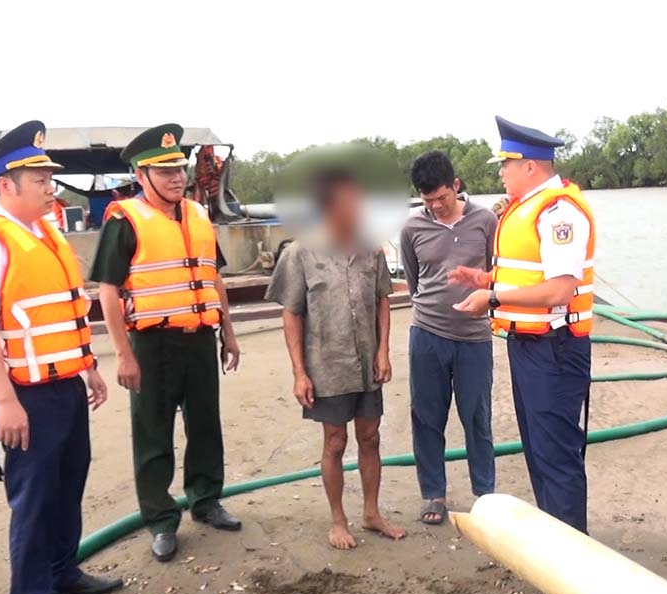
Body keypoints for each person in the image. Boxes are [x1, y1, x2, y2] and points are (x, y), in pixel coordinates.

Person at [0, 120, 122, 594]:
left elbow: (58, 314)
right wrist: (5, 401)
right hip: (28, 396)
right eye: (40, 178)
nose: (51, 186)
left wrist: (85, 364)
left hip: (65, 383)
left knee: (69, 484)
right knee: (35, 498)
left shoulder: (44, 232)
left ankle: (64, 571)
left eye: (50, 178)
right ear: (6, 185)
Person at [452, 117, 596, 594]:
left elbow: (559, 289)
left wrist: (491, 295)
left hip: (554, 349)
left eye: (507, 166)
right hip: (529, 345)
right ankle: (559, 558)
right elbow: (528, 272)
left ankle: (572, 573)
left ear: (530, 166)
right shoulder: (527, 207)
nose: (502, 175)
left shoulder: (559, 212)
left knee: (556, 455)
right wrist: (486, 276)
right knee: (539, 450)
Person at [89, 124, 242, 563]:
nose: (177, 177)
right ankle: (160, 520)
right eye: (165, 170)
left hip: (199, 340)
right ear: (142, 175)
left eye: (180, 167)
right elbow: (108, 291)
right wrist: (122, 354)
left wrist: (228, 333)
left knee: (205, 426)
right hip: (151, 344)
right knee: (153, 434)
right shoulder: (125, 219)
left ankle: (206, 499)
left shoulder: (197, 214)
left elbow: (213, 275)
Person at [267, 162, 406, 550]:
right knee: (334, 442)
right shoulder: (300, 252)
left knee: (371, 437)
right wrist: (299, 372)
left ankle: (372, 513)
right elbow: (291, 313)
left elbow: (382, 300)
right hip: (326, 365)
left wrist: (382, 351)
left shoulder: (370, 249)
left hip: (366, 362)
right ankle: (337, 519)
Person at [400, 150, 498, 525]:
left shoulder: (485, 221)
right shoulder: (411, 228)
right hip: (427, 334)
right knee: (426, 415)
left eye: (442, 197)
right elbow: (414, 281)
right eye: (428, 201)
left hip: (474, 337)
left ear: (456, 186)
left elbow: (496, 275)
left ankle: (484, 494)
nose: (436, 206)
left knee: (477, 416)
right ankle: (434, 494)